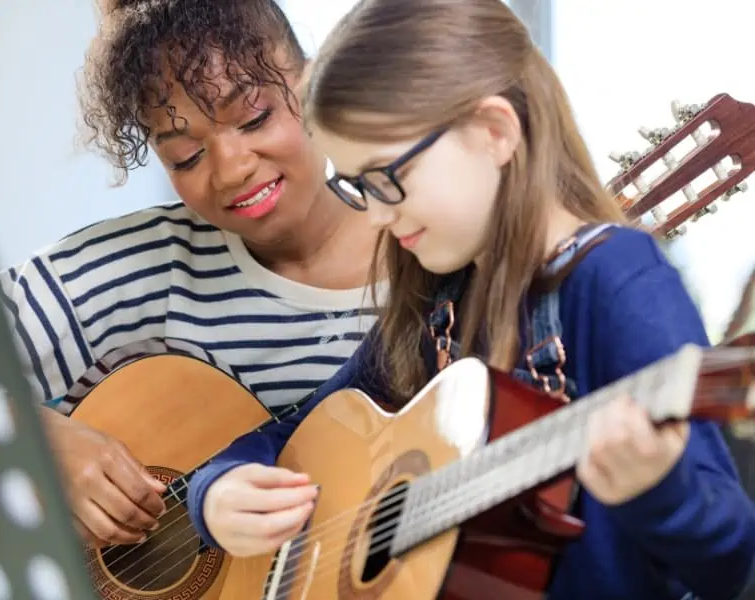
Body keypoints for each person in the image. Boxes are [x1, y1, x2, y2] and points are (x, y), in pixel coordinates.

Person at [187, 0, 755, 598]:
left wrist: (662, 491)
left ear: (493, 132)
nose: (376, 216)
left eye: (385, 178)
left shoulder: (615, 281)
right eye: (357, 187)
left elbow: (735, 568)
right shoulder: (439, 296)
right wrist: (216, 491)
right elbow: (295, 433)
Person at [0, 0, 380, 548]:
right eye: (185, 156)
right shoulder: (145, 263)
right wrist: (39, 440)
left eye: (255, 118)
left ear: (316, 83)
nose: (231, 168)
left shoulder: (430, 257)